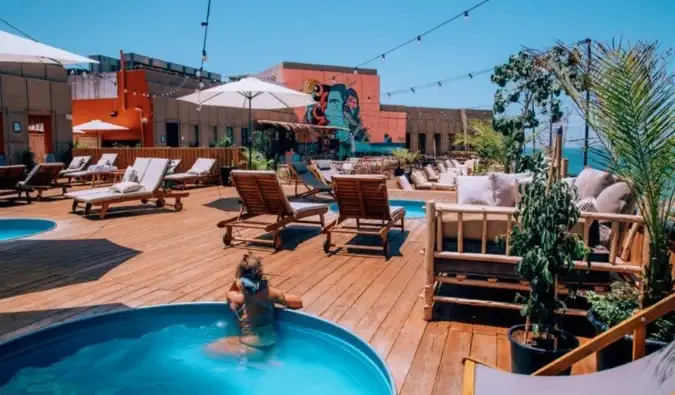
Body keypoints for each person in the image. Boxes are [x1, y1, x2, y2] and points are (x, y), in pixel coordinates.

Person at [206, 253, 303, 358]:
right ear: (260, 274)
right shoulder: (272, 293)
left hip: (249, 347)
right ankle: (268, 359)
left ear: (241, 278)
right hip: (271, 343)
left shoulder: (237, 298)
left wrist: (235, 282)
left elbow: (229, 298)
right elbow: (298, 303)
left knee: (207, 350)